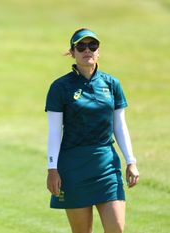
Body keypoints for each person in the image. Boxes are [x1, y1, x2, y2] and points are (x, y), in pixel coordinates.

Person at [45, 28, 140, 233]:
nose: (87, 50)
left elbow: (119, 125)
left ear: (98, 51)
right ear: (72, 52)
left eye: (92, 46)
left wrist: (131, 161)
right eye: (81, 46)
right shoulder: (60, 87)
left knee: (116, 229)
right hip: (73, 167)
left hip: (106, 164)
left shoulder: (111, 84)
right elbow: (54, 131)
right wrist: (52, 169)